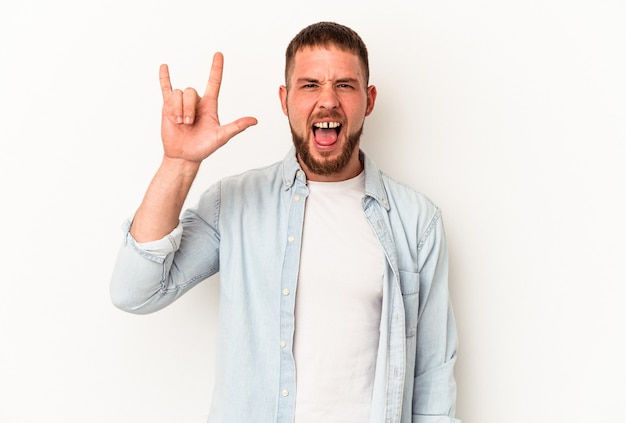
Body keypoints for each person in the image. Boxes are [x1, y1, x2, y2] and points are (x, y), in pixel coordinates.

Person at [110, 21, 460, 423]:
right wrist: (179, 163)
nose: (327, 101)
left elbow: (432, 381)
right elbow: (133, 291)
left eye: (344, 85)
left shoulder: (417, 222)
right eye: (310, 85)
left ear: (369, 99)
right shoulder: (235, 204)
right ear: (285, 98)